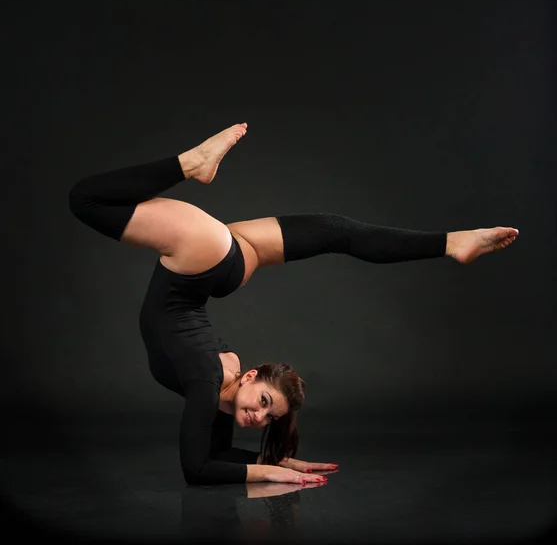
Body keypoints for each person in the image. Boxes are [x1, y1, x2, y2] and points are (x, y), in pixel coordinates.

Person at [68, 122, 519, 486]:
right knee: (84, 198)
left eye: (266, 416)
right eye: (264, 403)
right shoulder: (209, 380)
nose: (258, 417)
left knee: (337, 230)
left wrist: (283, 464)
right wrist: (271, 468)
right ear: (248, 376)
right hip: (204, 258)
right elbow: (198, 469)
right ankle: (192, 163)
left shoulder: (216, 392)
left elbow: (210, 458)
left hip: (220, 262)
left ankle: (454, 242)